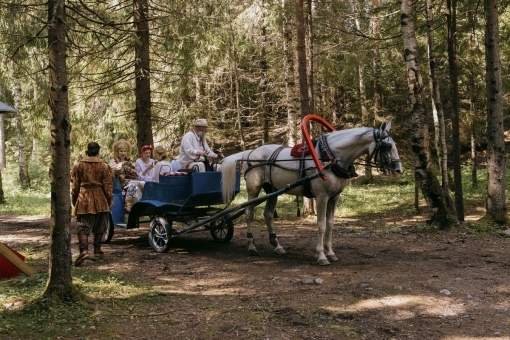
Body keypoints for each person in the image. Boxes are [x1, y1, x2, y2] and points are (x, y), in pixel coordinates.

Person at [71, 142, 113, 266]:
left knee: (83, 224)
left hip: (84, 197)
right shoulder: (104, 166)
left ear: (87, 151)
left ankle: (84, 251)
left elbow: (74, 186)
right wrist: (109, 200)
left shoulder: (79, 165)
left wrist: (75, 200)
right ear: (98, 151)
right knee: (101, 223)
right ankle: (97, 249)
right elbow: (108, 186)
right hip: (100, 197)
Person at [108, 139, 141, 212]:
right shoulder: (113, 161)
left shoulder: (128, 161)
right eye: (121, 151)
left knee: (140, 183)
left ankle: (136, 204)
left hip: (126, 181)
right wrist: (122, 166)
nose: (123, 153)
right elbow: (111, 171)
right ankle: (128, 205)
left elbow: (134, 173)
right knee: (133, 184)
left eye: (125, 151)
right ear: (117, 152)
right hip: (117, 184)